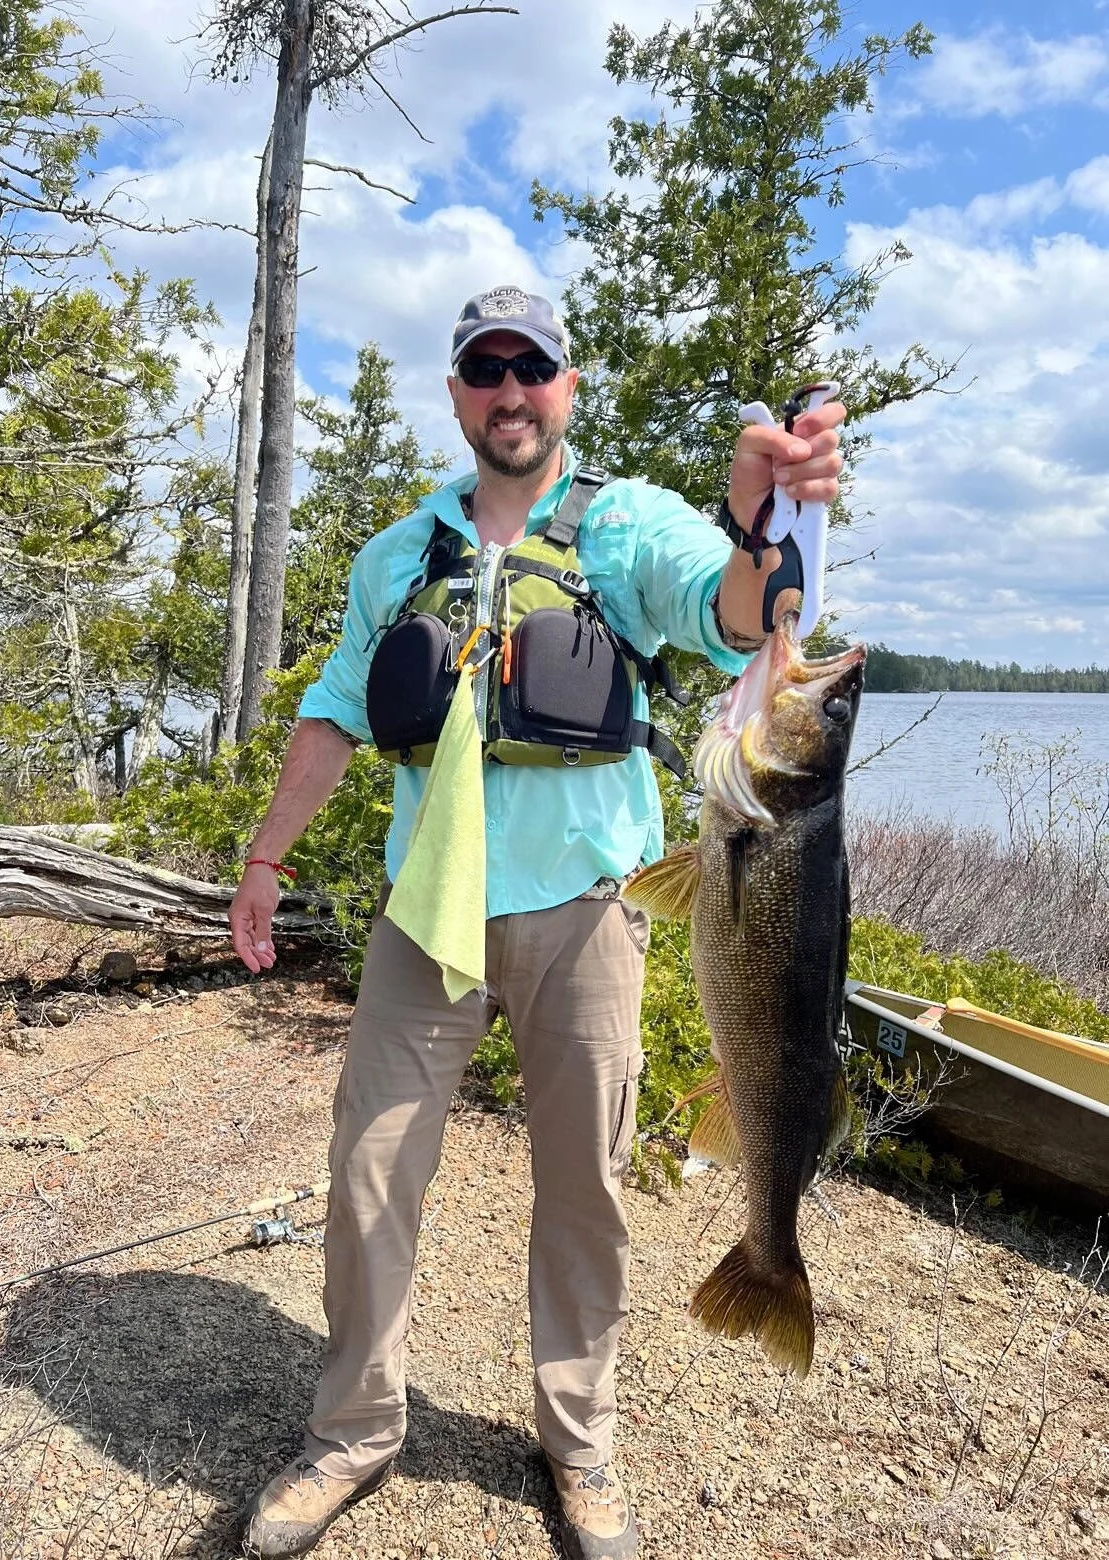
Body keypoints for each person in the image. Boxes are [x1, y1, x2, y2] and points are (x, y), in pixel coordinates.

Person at [229, 286, 845, 1560]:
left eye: (533, 367)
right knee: (367, 1178)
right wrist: (267, 858)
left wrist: (759, 518)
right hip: (426, 909)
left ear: (569, 387)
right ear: (457, 393)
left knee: (586, 1192)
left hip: (587, 908)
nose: (509, 390)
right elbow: (337, 711)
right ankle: (351, 1433)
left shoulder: (627, 526)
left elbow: (732, 611)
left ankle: (580, 1445)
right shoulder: (396, 554)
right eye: (484, 368)